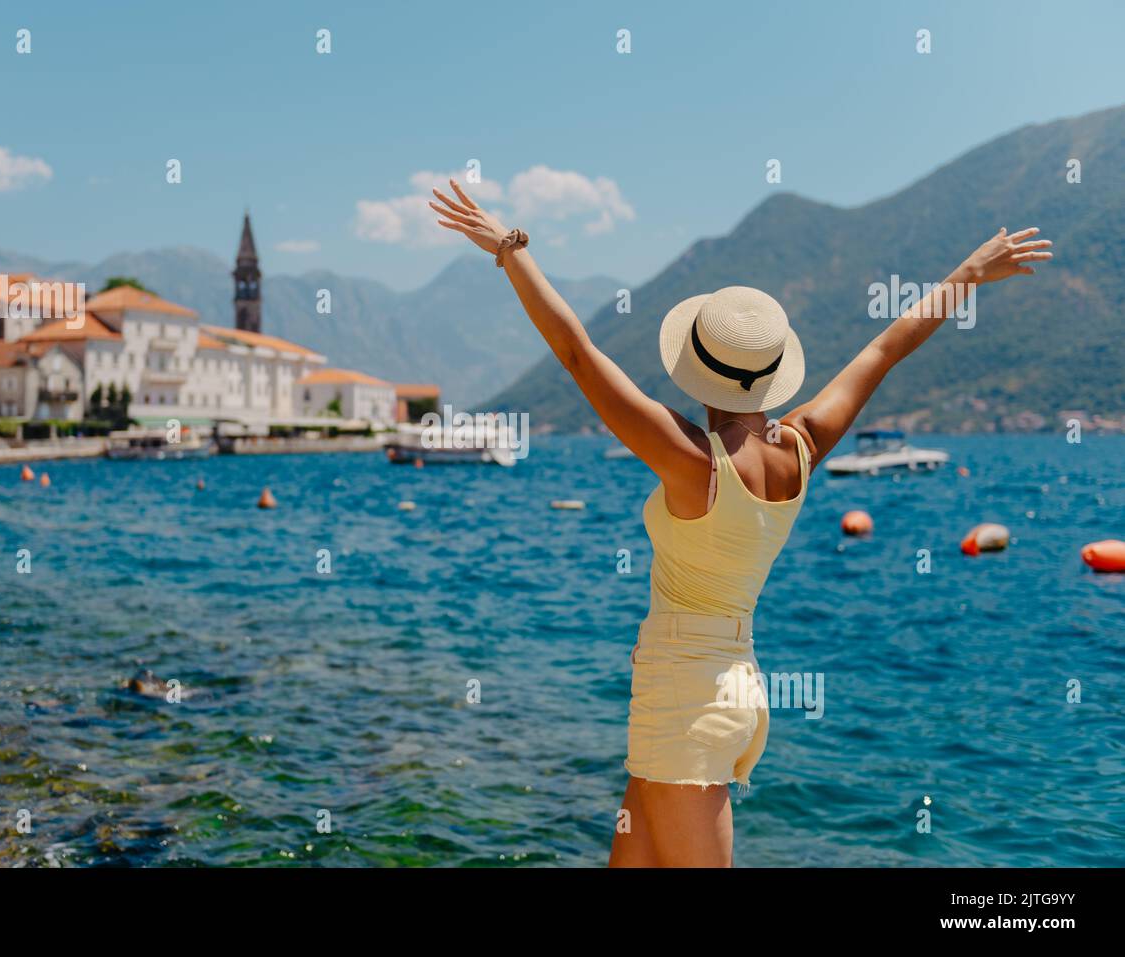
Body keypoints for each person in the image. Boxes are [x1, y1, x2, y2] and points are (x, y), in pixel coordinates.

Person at [432, 179, 1053, 867]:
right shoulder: (801, 448)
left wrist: (510, 251)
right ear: (771, 374)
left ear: (696, 370)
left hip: (688, 706)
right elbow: (884, 350)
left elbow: (579, 353)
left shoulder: (692, 462)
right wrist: (969, 272)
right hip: (728, 690)